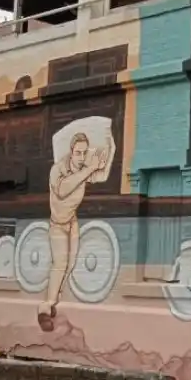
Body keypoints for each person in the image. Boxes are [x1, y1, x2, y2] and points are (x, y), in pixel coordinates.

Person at [37, 132, 112, 332]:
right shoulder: (57, 169)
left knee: (70, 264)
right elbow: (63, 189)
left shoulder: (84, 169)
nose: (81, 156)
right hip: (57, 224)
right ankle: (44, 308)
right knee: (59, 263)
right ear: (71, 152)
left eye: (84, 153)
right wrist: (90, 168)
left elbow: (100, 173)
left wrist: (103, 155)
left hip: (72, 222)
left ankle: (54, 301)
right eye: (78, 153)